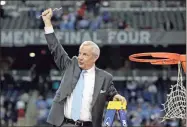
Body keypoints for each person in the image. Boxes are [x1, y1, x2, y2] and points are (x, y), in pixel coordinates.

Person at [42, 8, 127, 127]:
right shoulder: (70, 66)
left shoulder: (105, 78)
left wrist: (117, 96)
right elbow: (55, 48)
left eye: (85, 54)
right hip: (64, 124)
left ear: (95, 57)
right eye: (80, 53)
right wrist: (47, 23)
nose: (80, 57)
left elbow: (112, 94)